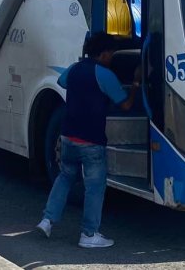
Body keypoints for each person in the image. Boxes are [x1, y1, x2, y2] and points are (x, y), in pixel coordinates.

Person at [36, 32, 139, 249]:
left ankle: (47, 220)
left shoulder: (74, 68)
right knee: (94, 187)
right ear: (103, 54)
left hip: (67, 135)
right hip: (91, 140)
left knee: (65, 177)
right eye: (111, 54)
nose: (111, 58)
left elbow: (61, 81)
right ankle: (89, 234)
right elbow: (126, 105)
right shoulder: (105, 75)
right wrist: (136, 85)